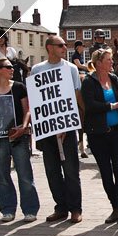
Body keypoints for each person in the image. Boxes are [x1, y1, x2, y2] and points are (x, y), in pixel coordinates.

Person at [30, 35, 84, 223]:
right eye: (61, 45)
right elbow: (36, 99)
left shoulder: (71, 69)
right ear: (49, 48)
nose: (64, 47)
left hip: (67, 128)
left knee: (71, 170)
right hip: (46, 129)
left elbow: (76, 96)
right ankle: (60, 207)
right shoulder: (37, 69)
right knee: (52, 171)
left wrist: (74, 123)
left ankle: (76, 208)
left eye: (65, 45)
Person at [0, 58, 40, 223]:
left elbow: (27, 110)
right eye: (8, 67)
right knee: (2, 175)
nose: (11, 69)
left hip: (19, 136)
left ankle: (30, 209)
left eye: (12, 67)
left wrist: (24, 126)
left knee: (25, 174)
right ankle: (7, 209)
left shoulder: (19, 87)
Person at [81, 48, 118, 224]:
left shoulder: (115, 79)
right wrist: (113, 105)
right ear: (99, 63)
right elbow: (91, 105)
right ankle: (115, 207)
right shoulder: (88, 82)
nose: (112, 62)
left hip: (116, 132)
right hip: (98, 134)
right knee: (106, 173)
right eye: (108, 60)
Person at [71, 40, 89, 158]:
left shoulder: (80, 55)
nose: (83, 48)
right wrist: (88, 67)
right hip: (77, 74)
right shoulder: (75, 56)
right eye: (82, 46)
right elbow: (78, 66)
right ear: (78, 47)